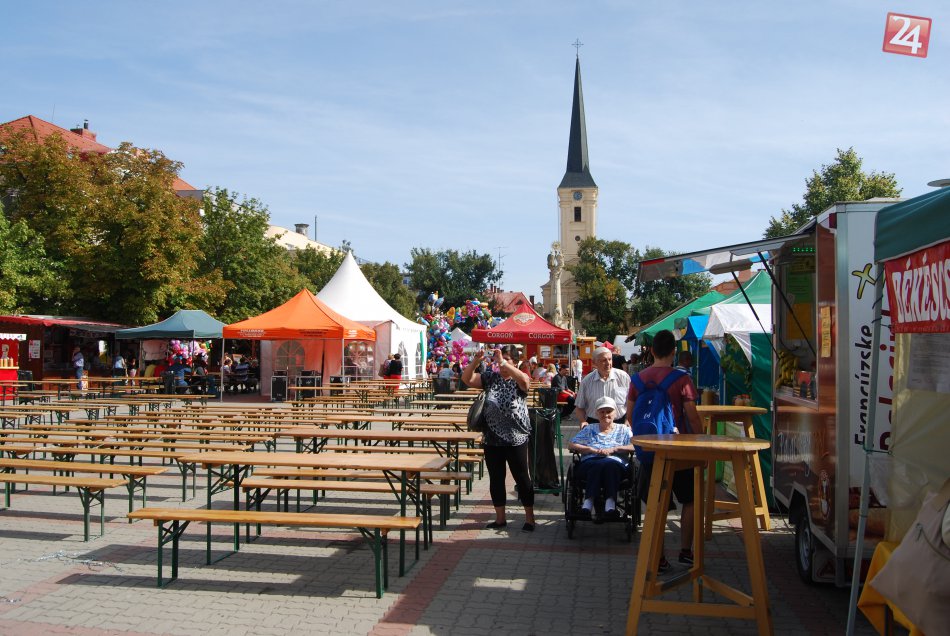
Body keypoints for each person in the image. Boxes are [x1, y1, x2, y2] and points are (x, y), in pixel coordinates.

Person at [625, 329, 702, 572]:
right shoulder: (681, 379)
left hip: (650, 451)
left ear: (651, 350)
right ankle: (686, 552)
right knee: (690, 500)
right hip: (679, 450)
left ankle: (658, 558)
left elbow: (630, 415)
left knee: (656, 505)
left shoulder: (637, 379)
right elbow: (692, 415)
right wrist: (700, 442)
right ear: (673, 351)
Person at [461, 346, 536, 532]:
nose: (502, 363)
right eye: (501, 359)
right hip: (492, 438)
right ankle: (500, 518)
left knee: (522, 477)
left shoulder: (519, 379)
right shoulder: (491, 377)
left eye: (508, 359)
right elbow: (467, 379)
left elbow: (525, 381)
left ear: (515, 362)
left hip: (516, 438)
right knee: (496, 478)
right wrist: (476, 361)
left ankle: (530, 518)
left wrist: (502, 362)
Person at [568, 396, 634, 522]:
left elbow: (635, 446)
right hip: (590, 462)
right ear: (597, 414)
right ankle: (608, 506)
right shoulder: (589, 429)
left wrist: (615, 449)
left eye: (609, 411)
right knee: (598, 464)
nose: (606, 415)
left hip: (615, 464)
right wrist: (591, 450)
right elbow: (571, 445)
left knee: (608, 464)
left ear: (615, 413)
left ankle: (591, 504)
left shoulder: (624, 430)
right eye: (602, 412)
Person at [575, 346, 631, 428]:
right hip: (594, 424)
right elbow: (579, 407)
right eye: (604, 360)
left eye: (610, 359)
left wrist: (628, 420)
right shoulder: (587, 381)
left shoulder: (623, 377)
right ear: (594, 363)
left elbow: (631, 403)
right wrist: (583, 421)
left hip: (620, 424)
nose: (608, 363)